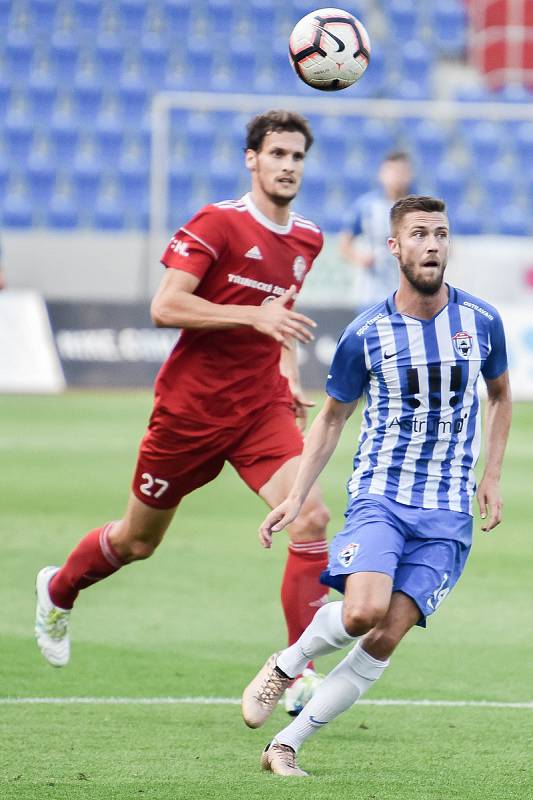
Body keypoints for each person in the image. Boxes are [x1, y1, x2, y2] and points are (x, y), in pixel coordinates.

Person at [34, 110, 331, 677]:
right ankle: (59, 589)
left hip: (259, 411)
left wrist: (288, 371)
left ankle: (297, 673)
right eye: (277, 154)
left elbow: (280, 316)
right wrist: (252, 318)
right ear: (252, 159)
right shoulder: (217, 224)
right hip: (190, 412)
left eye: (297, 156)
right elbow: (164, 306)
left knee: (310, 516)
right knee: (136, 542)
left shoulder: (307, 238)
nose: (288, 166)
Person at [242, 195, 512, 777]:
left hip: (447, 511)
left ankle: (285, 745)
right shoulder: (367, 332)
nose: (433, 244)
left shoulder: (482, 321)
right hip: (381, 497)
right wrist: (294, 496)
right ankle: (288, 662)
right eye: (419, 234)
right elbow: (333, 416)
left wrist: (490, 474)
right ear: (395, 247)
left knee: (387, 635)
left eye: (441, 233)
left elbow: (500, 395)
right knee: (363, 611)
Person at [339, 151, 413, 311]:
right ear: (382, 174)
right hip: (372, 295)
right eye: (392, 171)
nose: (396, 177)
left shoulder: (419, 207)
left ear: (409, 175)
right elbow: (344, 245)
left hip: (411, 295)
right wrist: (360, 258)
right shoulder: (366, 206)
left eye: (401, 172)